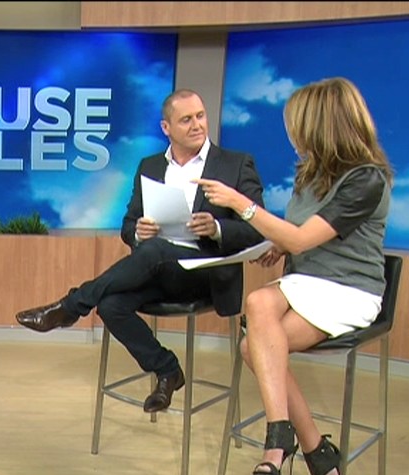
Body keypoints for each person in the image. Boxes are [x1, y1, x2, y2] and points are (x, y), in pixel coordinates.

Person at [199, 77, 393, 475]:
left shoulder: (366, 179)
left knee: (254, 340)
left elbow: (305, 238)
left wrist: (243, 206)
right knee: (259, 314)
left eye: (297, 126)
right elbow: (304, 236)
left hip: (349, 290)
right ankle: (308, 447)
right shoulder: (310, 173)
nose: (292, 135)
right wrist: (280, 244)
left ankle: (287, 439)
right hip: (305, 283)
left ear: (320, 125)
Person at [16, 88, 265, 413]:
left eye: (200, 116)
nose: (197, 125)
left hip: (205, 273)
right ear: (166, 127)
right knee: (111, 304)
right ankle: (167, 370)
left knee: (154, 250)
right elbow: (128, 225)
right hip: (158, 270)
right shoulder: (150, 166)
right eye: (186, 119)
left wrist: (217, 228)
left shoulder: (236, 164)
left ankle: (70, 305)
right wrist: (138, 232)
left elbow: (258, 227)